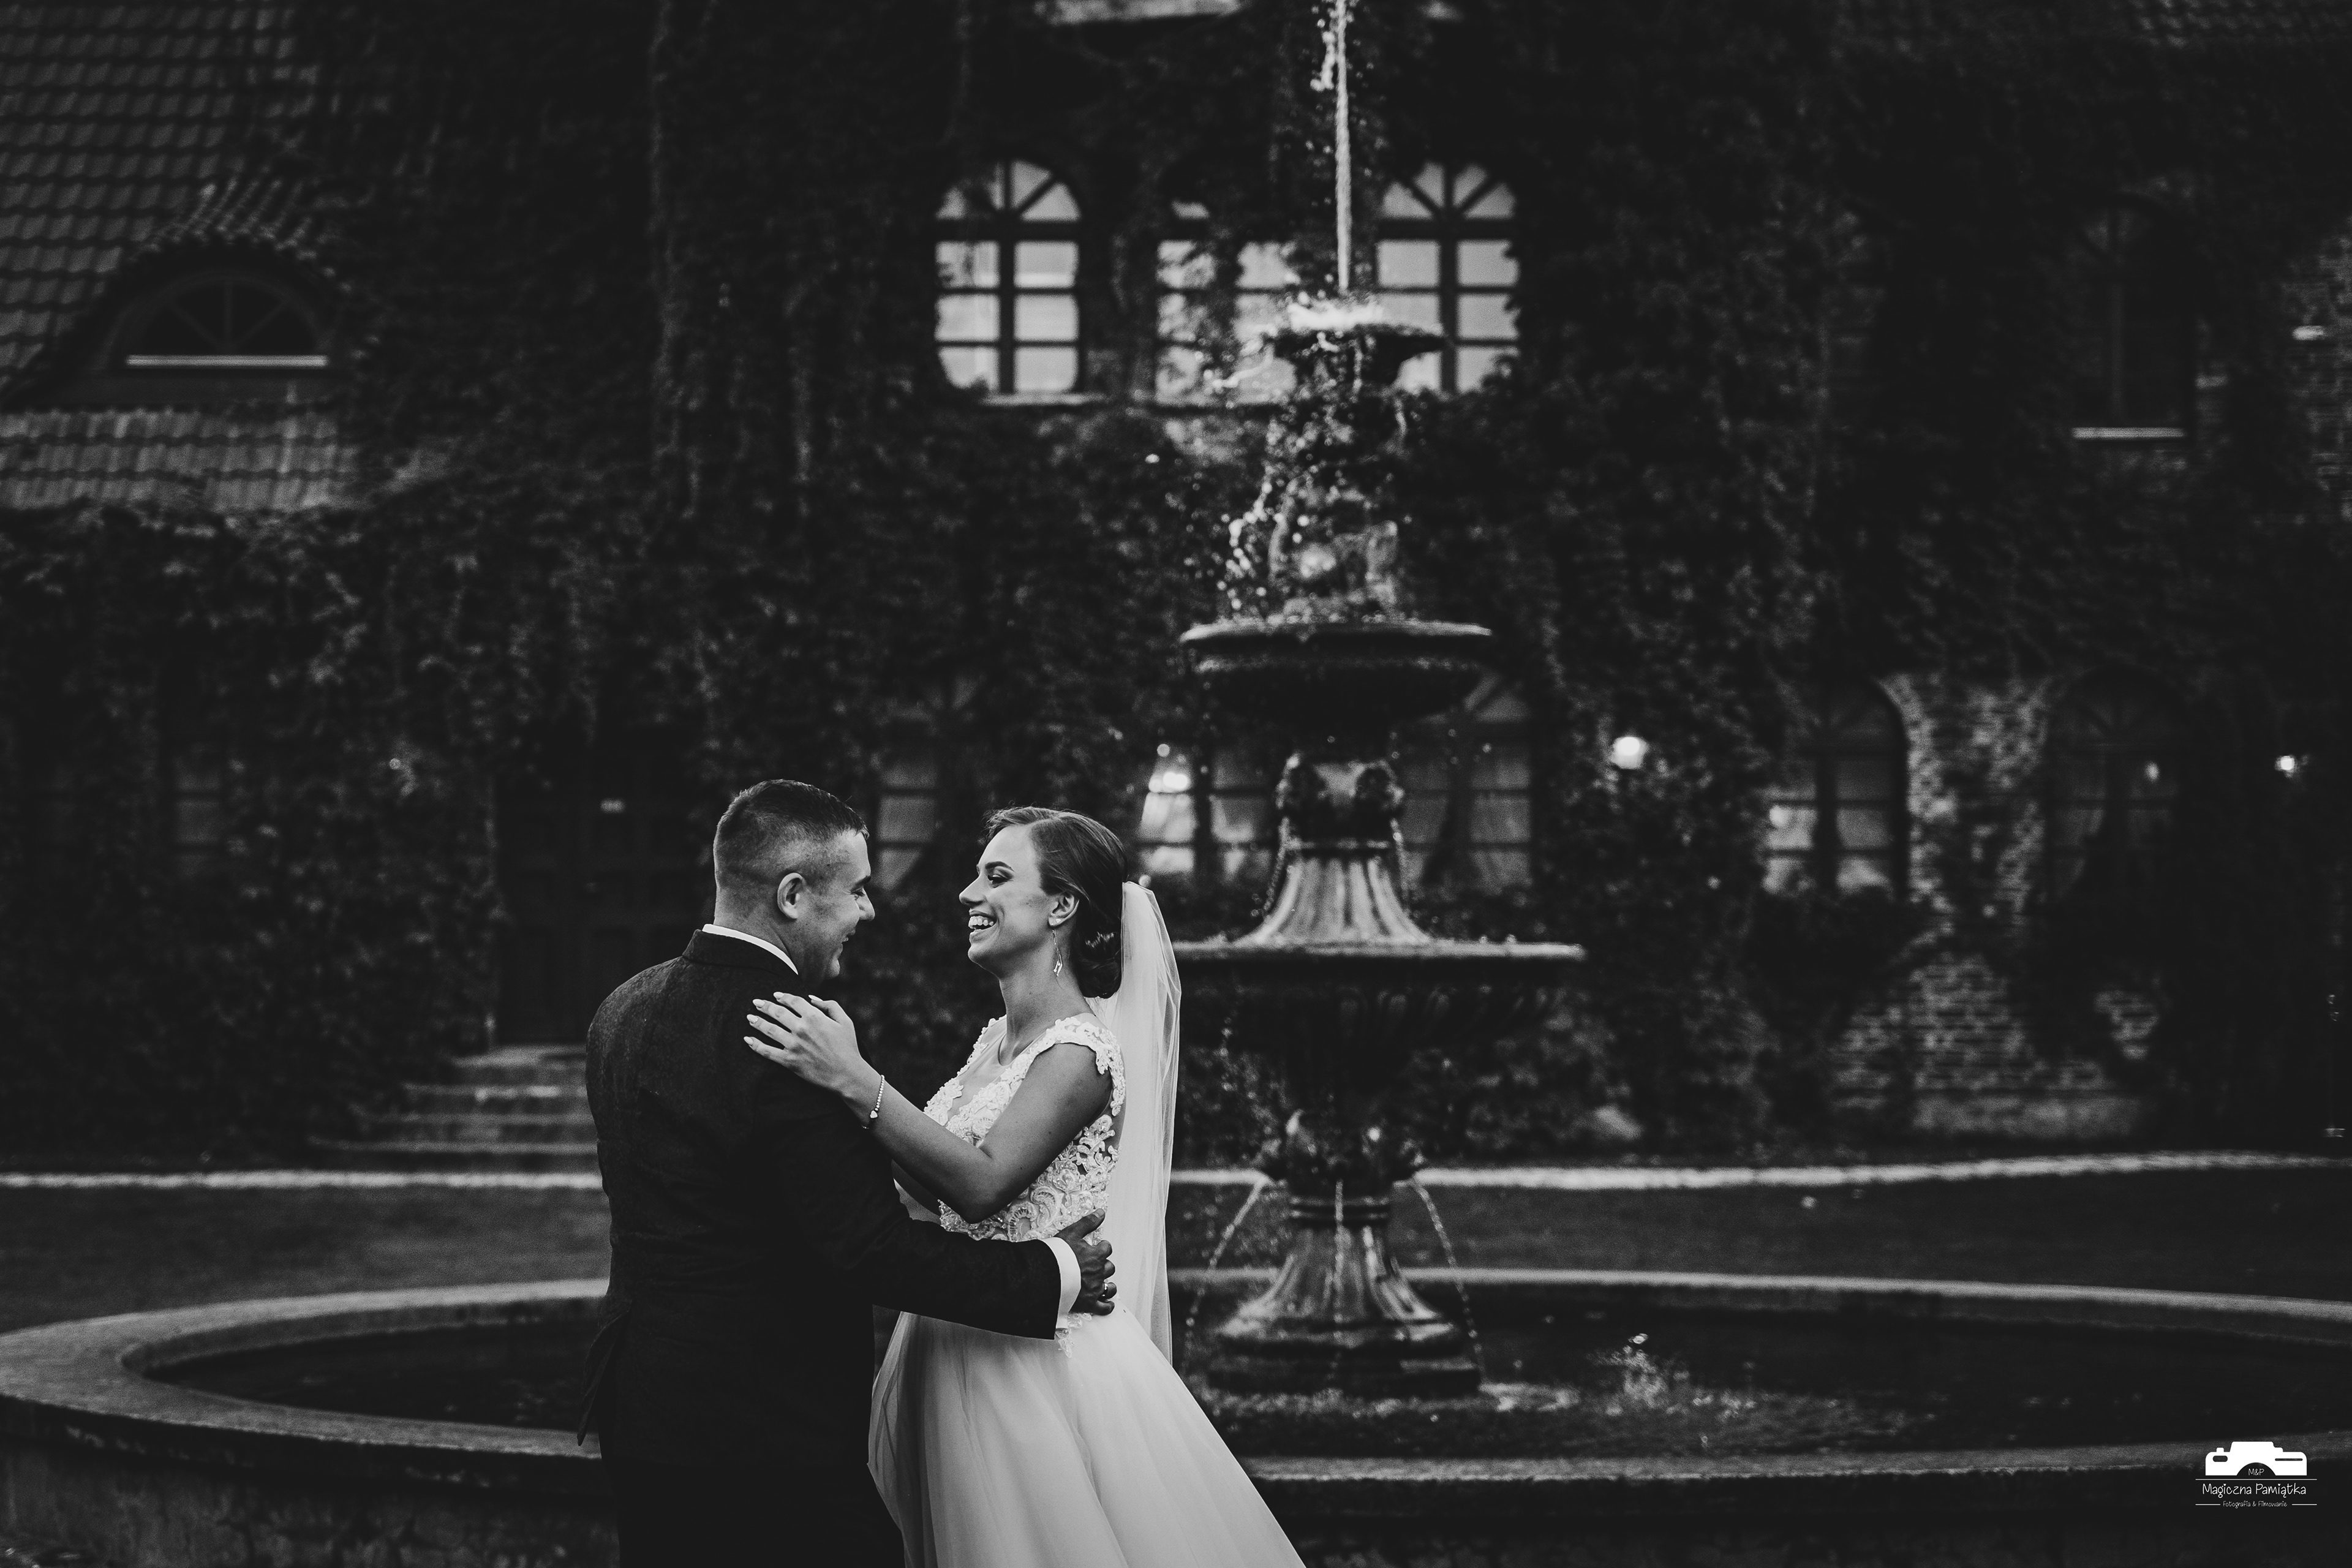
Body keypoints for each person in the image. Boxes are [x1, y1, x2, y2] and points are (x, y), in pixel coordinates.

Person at [743, 806, 1305, 1568]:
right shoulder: (995, 1042)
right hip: (950, 1331)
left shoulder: (1080, 1051)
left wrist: (855, 1079)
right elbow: (933, 1184)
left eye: (998, 877)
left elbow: (980, 1185)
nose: (969, 893)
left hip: (1032, 1364)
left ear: (1062, 906)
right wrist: (843, 1099)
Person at [581, 782, 1118, 1568]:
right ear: (794, 895)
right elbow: (870, 1249)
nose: (869, 910)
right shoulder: (794, 1038)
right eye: (858, 890)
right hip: (766, 1428)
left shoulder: (622, 1010)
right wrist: (1053, 1272)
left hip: (639, 1408)